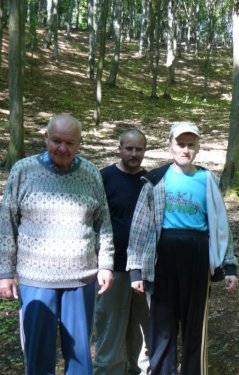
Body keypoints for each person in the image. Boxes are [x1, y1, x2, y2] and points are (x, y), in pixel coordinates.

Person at [0, 114, 114, 375]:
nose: (63, 148)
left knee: (79, 356)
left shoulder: (90, 173)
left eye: (70, 143)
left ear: (79, 143)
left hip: (81, 278)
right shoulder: (23, 170)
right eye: (56, 141)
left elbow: (103, 223)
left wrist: (106, 264)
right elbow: (6, 223)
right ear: (46, 138)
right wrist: (5, 272)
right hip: (36, 280)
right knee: (38, 354)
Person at [126, 121, 238, 375]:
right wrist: (135, 269)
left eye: (191, 145)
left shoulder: (207, 180)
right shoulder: (156, 180)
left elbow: (221, 225)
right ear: (170, 146)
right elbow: (140, 226)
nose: (185, 150)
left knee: (194, 325)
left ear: (198, 148)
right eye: (180, 144)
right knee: (162, 325)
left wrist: (229, 265)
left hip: (197, 257)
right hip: (163, 256)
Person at [93, 129, 151, 375]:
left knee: (142, 328)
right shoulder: (103, 177)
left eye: (139, 149)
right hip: (112, 269)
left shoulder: (150, 182)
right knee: (110, 326)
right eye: (129, 148)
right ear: (120, 148)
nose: (134, 154)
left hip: (144, 269)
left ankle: (140, 371)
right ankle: (108, 371)